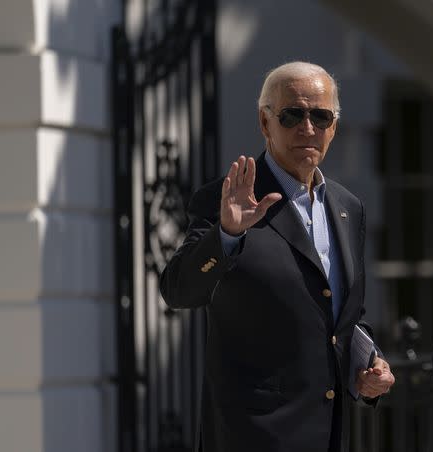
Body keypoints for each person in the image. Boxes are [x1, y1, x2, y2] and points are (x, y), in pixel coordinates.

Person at [160, 61, 395, 452]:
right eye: (292, 115)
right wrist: (227, 234)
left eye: (321, 116)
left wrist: (369, 362)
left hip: (328, 434)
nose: (308, 128)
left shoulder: (347, 207)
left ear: (333, 128)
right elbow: (178, 291)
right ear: (265, 123)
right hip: (252, 435)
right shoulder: (226, 199)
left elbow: (338, 311)